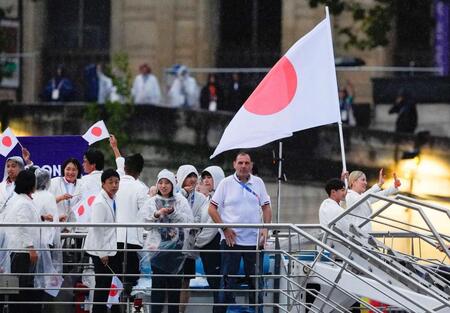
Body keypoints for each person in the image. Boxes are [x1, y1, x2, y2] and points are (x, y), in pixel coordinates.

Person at [208, 152, 272, 313]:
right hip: (231, 241)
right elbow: (212, 208)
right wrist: (225, 228)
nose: (244, 166)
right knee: (227, 282)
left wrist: (265, 227)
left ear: (251, 165)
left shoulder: (258, 183)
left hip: (254, 242)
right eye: (241, 163)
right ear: (234, 164)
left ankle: (257, 311)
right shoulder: (226, 183)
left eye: (247, 163)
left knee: (256, 282)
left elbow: (266, 206)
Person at [140, 169, 193, 313]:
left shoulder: (180, 200)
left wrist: (173, 213)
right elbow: (145, 223)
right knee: (157, 289)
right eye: (161, 182)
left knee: (174, 291)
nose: (163, 186)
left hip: (176, 251)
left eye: (167, 183)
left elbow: (188, 222)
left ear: (173, 184)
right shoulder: (152, 201)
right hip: (156, 250)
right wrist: (157, 214)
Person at [4, 170, 42, 313]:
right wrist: (31, 248)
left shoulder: (21, 200)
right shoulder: (23, 203)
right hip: (22, 251)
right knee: (22, 288)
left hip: (20, 250)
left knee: (21, 287)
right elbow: (23, 225)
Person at [83, 169, 121, 313]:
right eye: (110, 182)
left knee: (106, 284)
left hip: (109, 246)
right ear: (103, 183)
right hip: (100, 249)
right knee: (102, 284)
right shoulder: (100, 202)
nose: (114, 185)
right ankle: (98, 310)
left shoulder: (112, 198)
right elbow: (97, 229)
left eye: (116, 182)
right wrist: (102, 253)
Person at [176, 165, 208, 313]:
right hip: (174, 245)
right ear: (181, 178)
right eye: (189, 176)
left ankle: (181, 311)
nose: (192, 179)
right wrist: (182, 194)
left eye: (194, 176)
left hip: (189, 245)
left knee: (185, 281)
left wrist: (190, 222)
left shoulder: (201, 198)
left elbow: (200, 219)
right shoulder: (175, 194)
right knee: (172, 281)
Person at [114, 153, 149, 288]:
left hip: (114, 239)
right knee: (131, 282)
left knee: (115, 281)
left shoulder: (114, 185)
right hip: (133, 241)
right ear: (139, 171)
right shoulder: (140, 188)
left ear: (124, 167)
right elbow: (147, 215)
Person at [196, 166, 225, 313]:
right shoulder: (207, 199)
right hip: (206, 248)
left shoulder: (220, 199)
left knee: (218, 285)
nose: (206, 181)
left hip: (214, 247)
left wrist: (197, 242)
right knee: (214, 284)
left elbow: (211, 228)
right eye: (204, 177)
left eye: (210, 177)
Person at [345, 169, 401, 234]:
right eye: (363, 180)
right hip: (356, 235)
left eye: (365, 180)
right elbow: (360, 199)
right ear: (353, 182)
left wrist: (394, 186)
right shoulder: (349, 195)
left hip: (366, 234)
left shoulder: (363, 197)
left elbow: (382, 194)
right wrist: (379, 185)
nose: (366, 183)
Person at [49, 158, 83, 227]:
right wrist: (61, 198)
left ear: (78, 171)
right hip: (57, 225)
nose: (70, 172)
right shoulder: (53, 182)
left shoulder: (83, 185)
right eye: (68, 169)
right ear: (63, 170)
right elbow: (47, 202)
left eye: (74, 170)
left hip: (75, 227)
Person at [0, 148, 33, 218]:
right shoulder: (1, 186)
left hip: (18, 221)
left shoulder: (25, 186)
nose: (10, 169)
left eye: (13, 166)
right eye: (8, 166)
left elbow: (36, 174)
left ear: (21, 168)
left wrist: (27, 161)